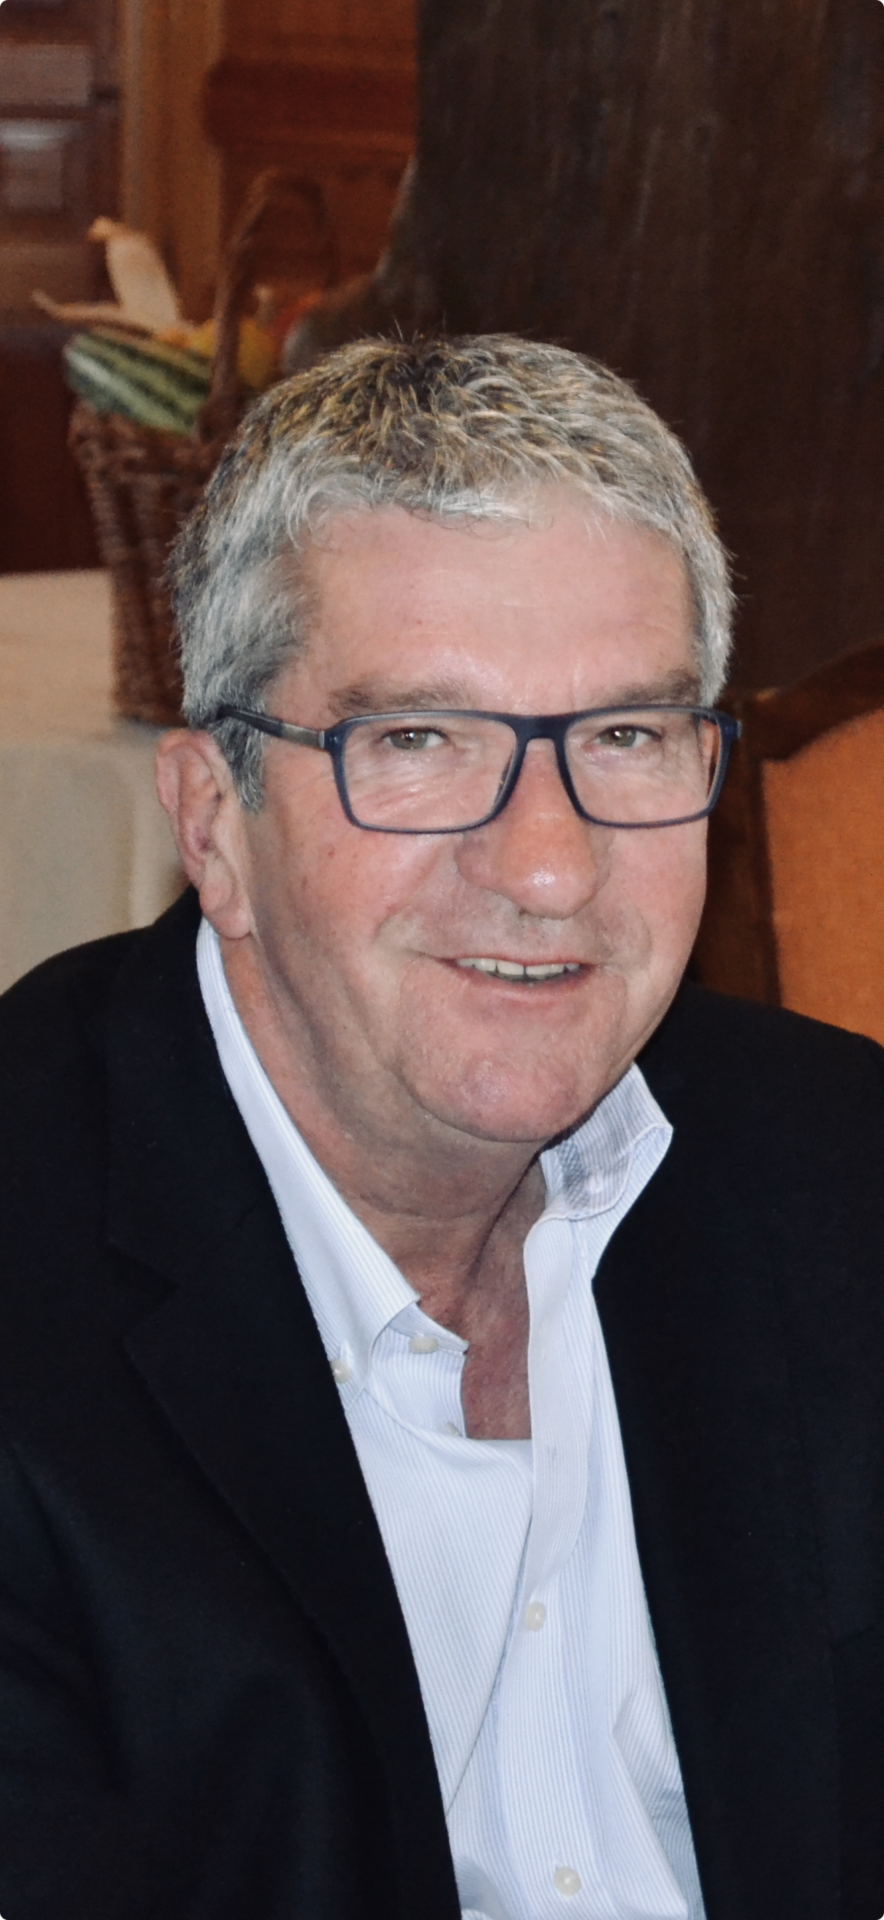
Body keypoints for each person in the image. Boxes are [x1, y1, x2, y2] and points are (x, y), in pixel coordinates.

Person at [0, 335, 882, 1920]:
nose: (548, 866)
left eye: (626, 737)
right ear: (213, 821)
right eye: (417, 741)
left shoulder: (842, 1176)